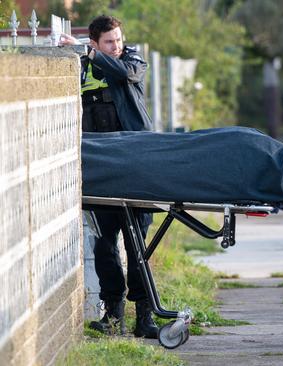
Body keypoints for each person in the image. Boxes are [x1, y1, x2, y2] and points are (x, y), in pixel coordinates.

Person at [60, 15, 158, 339]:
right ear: (94, 42)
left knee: (137, 243)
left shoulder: (132, 59)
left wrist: (93, 55)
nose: (116, 46)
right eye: (108, 42)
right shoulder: (84, 66)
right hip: (101, 167)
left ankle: (145, 317)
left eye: (117, 40)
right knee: (104, 245)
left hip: (134, 162)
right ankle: (113, 316)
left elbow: (125, 74)